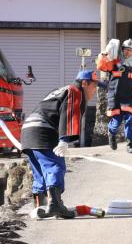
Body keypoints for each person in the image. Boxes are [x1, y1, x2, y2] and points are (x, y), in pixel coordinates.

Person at [21, 69, 104, 218]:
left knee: (41, 171)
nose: (95, 91)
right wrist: (64, 140)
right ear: (84, 83)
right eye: (94, 86)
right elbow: (69, 113)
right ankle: (55, 205)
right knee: (55, 165)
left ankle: (41, 207)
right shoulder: (75, 90)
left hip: (28, 131)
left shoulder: (61, 90)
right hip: (42, 129)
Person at [97, 38, 132, 153]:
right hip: (115, 97)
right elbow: (102, 66)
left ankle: (130, 144)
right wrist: (105, 53)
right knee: (116, 122)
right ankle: (111, 133)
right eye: (125, 49)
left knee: (129, 120)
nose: (127, 52)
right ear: (122, 50)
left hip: (129, 97)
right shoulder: (114, 61)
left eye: (130, 50)